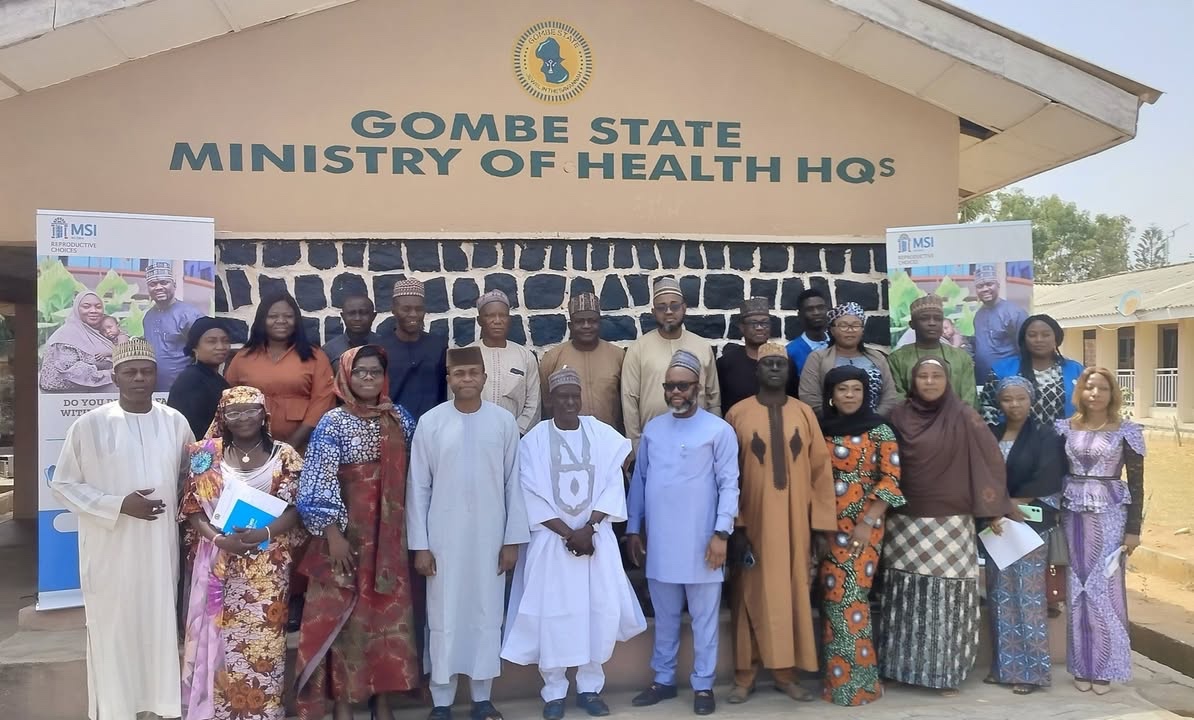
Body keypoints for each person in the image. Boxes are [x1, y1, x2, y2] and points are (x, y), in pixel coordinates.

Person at [49, 337, 195, 719]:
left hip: (159, 548)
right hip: (110, 550)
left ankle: (160, 706)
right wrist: (118, 505)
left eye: (146, 371)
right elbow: (63, 484)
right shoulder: (90, 425)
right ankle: (117, 710)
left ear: (157, 375)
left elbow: (191, 479)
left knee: (157, 623)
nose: (139, 378)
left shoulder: (175, 422)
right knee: (114, 628)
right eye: (130, 372)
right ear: (115, 377)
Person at [502, 368, 647, 720]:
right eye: (562, 397)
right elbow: (529, 493)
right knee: (552, 615)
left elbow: (613, 482)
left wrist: (590, 528)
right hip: (551, 545)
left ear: (581, 399)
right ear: (550, 400)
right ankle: (553, 692)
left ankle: (589, 689)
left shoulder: (600, 434)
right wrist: (569, 533)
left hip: (595, 542)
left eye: (574, 396)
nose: (569, 402)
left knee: (595, 612)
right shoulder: (534, 440)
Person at [294, 346, 421, 720]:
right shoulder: (333, 423)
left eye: (375, 372)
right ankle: (345, 703)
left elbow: (418, 474)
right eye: (360, 371)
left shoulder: (400, 419)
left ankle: (382, 700)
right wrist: (332, 535)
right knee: (346, 619)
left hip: (391, 536)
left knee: (387, 619)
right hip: (348, 536)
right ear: (346, 377)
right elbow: (317, 481)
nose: (368, 378)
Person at [879, 357, 1015, 696]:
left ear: (948, 379)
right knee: (905, 597)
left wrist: (993, 508)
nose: (929, 382)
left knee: (948, 598)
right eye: (922, 376)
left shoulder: (964, 416)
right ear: (912, 381)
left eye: (936, 376)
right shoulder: (897, 417)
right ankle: (899, 668)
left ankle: (944, 673)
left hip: (951, 524)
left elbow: (988, 461)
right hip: (904, 523)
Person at [407, 346, 530, 720]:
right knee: (443, 615)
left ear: (484, 378)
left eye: (473, 373)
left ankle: (482, 698)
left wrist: (512, 541)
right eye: (459, 374)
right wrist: (420, 546)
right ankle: (441, 702)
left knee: (486, 612)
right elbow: (418, 487)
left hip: (491, 538)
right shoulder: (431, 423)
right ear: (449, 379)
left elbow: (514, 484)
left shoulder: (503, 423)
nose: (467, 379)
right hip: (442, 540)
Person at [179, 386, 305, 720]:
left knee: (265, 644)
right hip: (218, 565)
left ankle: (264, 714)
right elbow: (192, 508)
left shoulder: (285, 455)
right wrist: (220, 541)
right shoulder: (206, 454)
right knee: (218, 643)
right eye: (234, 412)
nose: (243, 418)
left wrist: (262, 533)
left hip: (267, 571)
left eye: (251, 410)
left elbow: (296, 508)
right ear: (223, 417)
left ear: (264, 415)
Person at [626, 350, 739, 716]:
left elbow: (730, 484)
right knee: (665, 617)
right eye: (670, 386)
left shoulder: (719, 431)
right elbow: (640, 482)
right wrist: (633, 529)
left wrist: (721, 534)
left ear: (698, 387)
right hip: (661, 542)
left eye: (683, 386)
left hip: (704, 542)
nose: (676, 392)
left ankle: (703, 685)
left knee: (705, 619)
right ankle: (663, 679)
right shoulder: (654, 430)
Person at [723, 343, 835, 704]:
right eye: (768, 363)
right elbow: (727, 476)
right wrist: (736, 526)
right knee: (749, 598)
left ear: (789, 372)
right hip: (752, 527)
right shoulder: (737, 414)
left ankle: (787, 674)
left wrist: (820, 527)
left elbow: (820, 472)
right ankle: (744, 676)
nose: (774, 369)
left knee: (792, 595)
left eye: (780, 364)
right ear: (757, 370)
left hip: (796, 526)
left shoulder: (804, 413)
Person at [816, 365, 905, 706]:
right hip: (827, 525)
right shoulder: (820, 429)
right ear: (831, 395)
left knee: (851, 598)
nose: (850, 395)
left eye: (856, 389)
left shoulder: (880, 430)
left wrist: (868, 521)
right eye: (843, 389)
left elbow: (891, 479)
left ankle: (858, 687)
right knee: (832, 600)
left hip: (863, 527)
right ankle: (839, 681)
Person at [1056, 367, 1145, 695]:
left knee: (1105, 590)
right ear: (1080, 391)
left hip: (1110, 518)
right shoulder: (1064, 429)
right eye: (1089, 387)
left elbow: (1137, 483)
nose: (1095, 393)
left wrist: (1133, 530)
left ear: (1112, 394)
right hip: (1073, 517)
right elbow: (1055, 474)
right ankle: (1082, 665)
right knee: (1077, 589)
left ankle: (1105, 667)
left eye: (1102, 388)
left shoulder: (1127, 431)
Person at [983, 376, 1064, 696]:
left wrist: (1012, 504)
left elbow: (1048, 475)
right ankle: (1004, 668)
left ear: (1031, 401)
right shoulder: (991, 434)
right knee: (1000, 597)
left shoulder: (1045, 435)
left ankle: (1031, 672)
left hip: (1028, 525)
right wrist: (995, 509)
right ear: (998, 403)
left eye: (1020, 398)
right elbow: (982, 475)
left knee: (1028, 598)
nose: (1014, 405)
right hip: (996, 524)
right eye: (1007, 399)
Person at [225, 291, 336, 451]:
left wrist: (291, 445)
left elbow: (323, 401)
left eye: (288, 316)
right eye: (273, 316)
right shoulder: (243, 357)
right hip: (252, 449)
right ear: (262, 320)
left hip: (303, 447)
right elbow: (229, 402)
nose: (281, 321)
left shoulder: (315, 356)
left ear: (296, 320)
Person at [622, 277, 722, 453]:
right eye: (662, 307)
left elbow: (713, 398)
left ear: (684, 308)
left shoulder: (702, 346)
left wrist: (715, 440)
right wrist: (636, 447)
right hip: (653, 443)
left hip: (699, 441)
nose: (668, 312)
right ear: (653, 312)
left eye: (674, 306)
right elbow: (629, 400)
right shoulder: (638, 349)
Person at [538, 292, 626, 432]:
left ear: (600, 323)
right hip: (567, 437)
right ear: (570, 326)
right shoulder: (552, 358)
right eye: (580, 321)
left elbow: (625, 403)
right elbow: (547, 404)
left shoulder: (618, 356)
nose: (586, 326)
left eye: (592, 321)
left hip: (609, 437)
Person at [980, 314, 1085, 425]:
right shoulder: (1002, 370)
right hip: (1013, 436)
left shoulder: (1076, 370)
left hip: (1066, 435)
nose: (1039, 340)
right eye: (1032, 335)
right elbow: (987, 407)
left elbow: (1088, 409)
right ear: (1024, 339)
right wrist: (999, 433)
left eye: (1046, 335)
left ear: (1056, 338)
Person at [798, 303, 898, 417]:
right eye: (843, 325)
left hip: (875, 423)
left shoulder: (878, 358)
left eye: (856, 325)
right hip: (830, 424)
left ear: (862, 330)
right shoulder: (817, 358)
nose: (850, 330)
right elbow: (809, 397)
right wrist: (839, 421)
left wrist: (873, 420)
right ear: (832, 330)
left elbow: (890, 396)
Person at [464, 289, 541, 435]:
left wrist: (517, 433)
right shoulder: (466, 355)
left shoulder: (525, 357)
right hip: (473, 435)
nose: (497, 321)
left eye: (503, 315)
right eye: (490, 316)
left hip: (516, 437)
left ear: (509, 320)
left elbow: (533, 403)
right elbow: (455, 399)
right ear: (479, 321)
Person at [377, 278, 448, 422]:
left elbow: (444, 391)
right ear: (393, 310)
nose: (413, 314)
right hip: (392, 426)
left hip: (432, 426)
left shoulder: (438, 346)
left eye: (419, 309)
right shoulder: (380, 348)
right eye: (406, 309)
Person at [887, 295, 978, 408]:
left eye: (938, 319)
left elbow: (969, 401)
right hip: (912, 419)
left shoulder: (961, 358)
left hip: (957, 418)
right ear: (912, 325)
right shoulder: (897, 359)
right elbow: (898, 402)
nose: (932, 323)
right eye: (924, 318)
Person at [717, 298, 798, 415]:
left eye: (764, 323)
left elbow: (793, 400)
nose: (759, 327)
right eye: (753, 323)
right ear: (742, 327)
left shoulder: (784, 362)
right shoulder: (727, 363)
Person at [143, 261, 205, 392]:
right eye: (153, 284)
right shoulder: (148, 317)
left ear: (174, 285)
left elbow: (204, 353)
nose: (158, 287)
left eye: (164, 282)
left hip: (184, 388)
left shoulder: (190, 315)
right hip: (154, 389)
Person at [38, 290, 117, 392]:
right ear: (76, 309)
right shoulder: (65, 335)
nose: (93, 310)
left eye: (98, 307)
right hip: (68, 397)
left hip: (102, 391)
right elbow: (71, 372)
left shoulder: (101, 332)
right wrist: (112, 374)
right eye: (86, 307)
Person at [167, 316, 231, 439]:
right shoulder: (191, 381)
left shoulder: (216, 379)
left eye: (225, 341)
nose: (221, 346)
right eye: (211, 341)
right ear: (195, 347)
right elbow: (191, 429)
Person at [972, 264, 1028, 382]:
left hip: (1009, 380)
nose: (985, 289)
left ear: (998, 285)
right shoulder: (978, 315)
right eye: (980, 286)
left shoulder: (1015, 313)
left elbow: (1025, 349)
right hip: (982, 380)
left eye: (989, 284)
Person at [323, 294, 382, 375]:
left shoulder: (385, 346)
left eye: (363, 313)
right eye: (351, 313)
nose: (357, 318)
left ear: (373, 316)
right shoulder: (330, 350)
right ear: (343, 316)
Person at [784, 289, 830, 378]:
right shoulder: (790, 352)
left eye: (820, 308)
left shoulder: (838, 343)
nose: (816, 313)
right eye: (810, 309)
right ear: (800, 315)